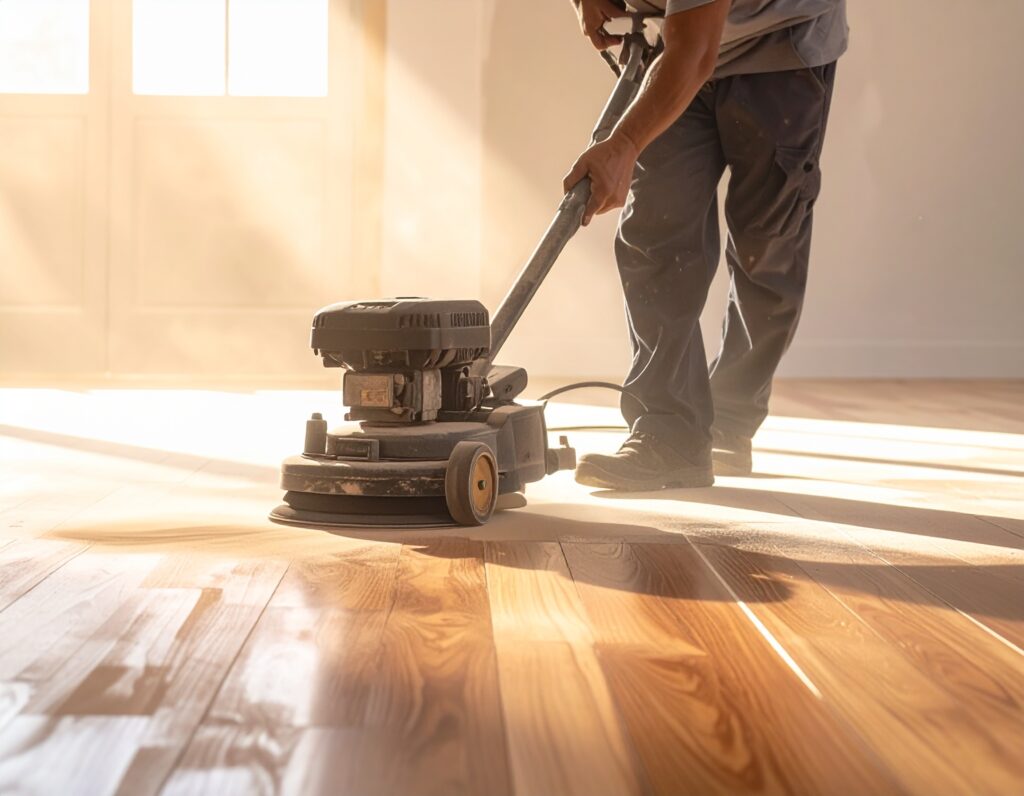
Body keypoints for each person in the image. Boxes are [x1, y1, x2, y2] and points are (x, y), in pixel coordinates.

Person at [567, 0, 846, 491]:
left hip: (780, 49)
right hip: (677, 39)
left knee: (766, 250)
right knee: (656, 231)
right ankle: (670, 432)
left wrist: (625, 143)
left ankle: (732, 414)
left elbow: (696, 54)